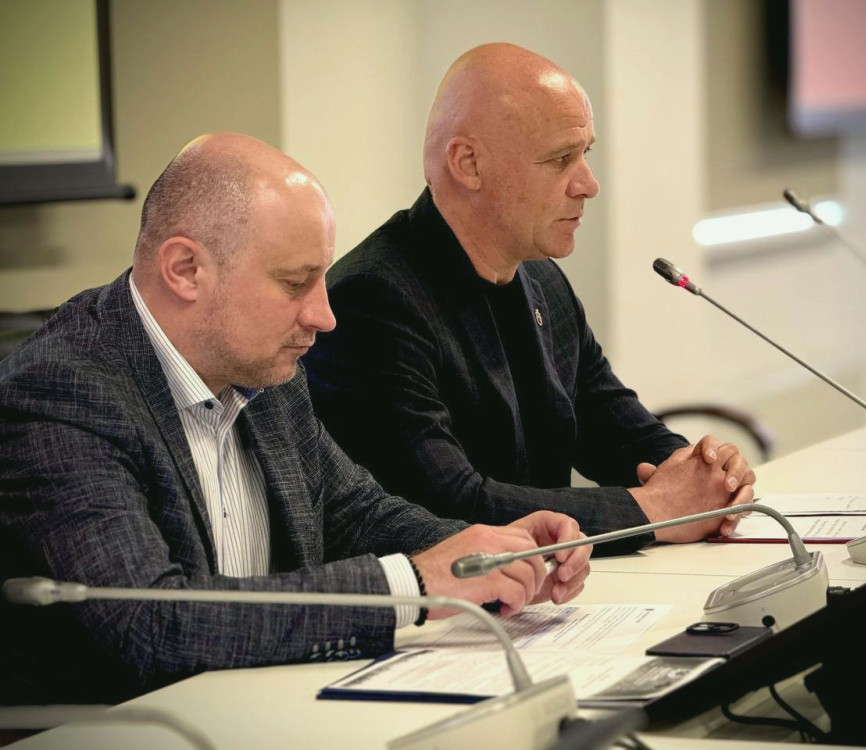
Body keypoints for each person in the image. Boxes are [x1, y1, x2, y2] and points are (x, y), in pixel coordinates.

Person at [0, 133, 590, 705]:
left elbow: (351, 510)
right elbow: (151, 623)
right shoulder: (61, 392)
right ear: (185, 269)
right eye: (294, 283)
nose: (324, 316)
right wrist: (414, 584)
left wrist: (489, 555)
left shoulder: (264, 366)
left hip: (265, 703)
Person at [304, 43, 756, 551]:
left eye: (585, 154)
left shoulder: (542, 279)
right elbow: (445, 505)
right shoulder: (374, 300)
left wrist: (705, 474)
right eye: (561, 159)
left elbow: (616, 428)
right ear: (468, 164)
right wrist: (657, 510)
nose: (588, 184)